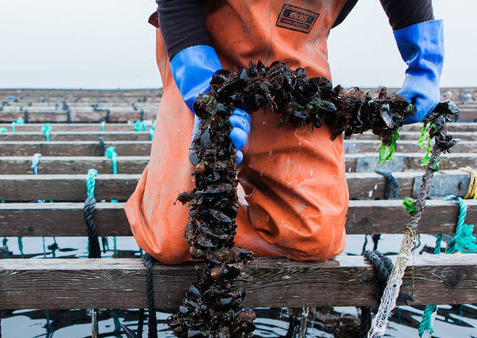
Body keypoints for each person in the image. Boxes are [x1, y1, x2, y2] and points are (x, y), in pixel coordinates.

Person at [125, 0, 444, 264]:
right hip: (202, 46)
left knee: (315, 236)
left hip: (296, 66)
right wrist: (205, 91)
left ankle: (235, 191)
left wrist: (423, 63)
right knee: (175, 239)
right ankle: (166, 183)